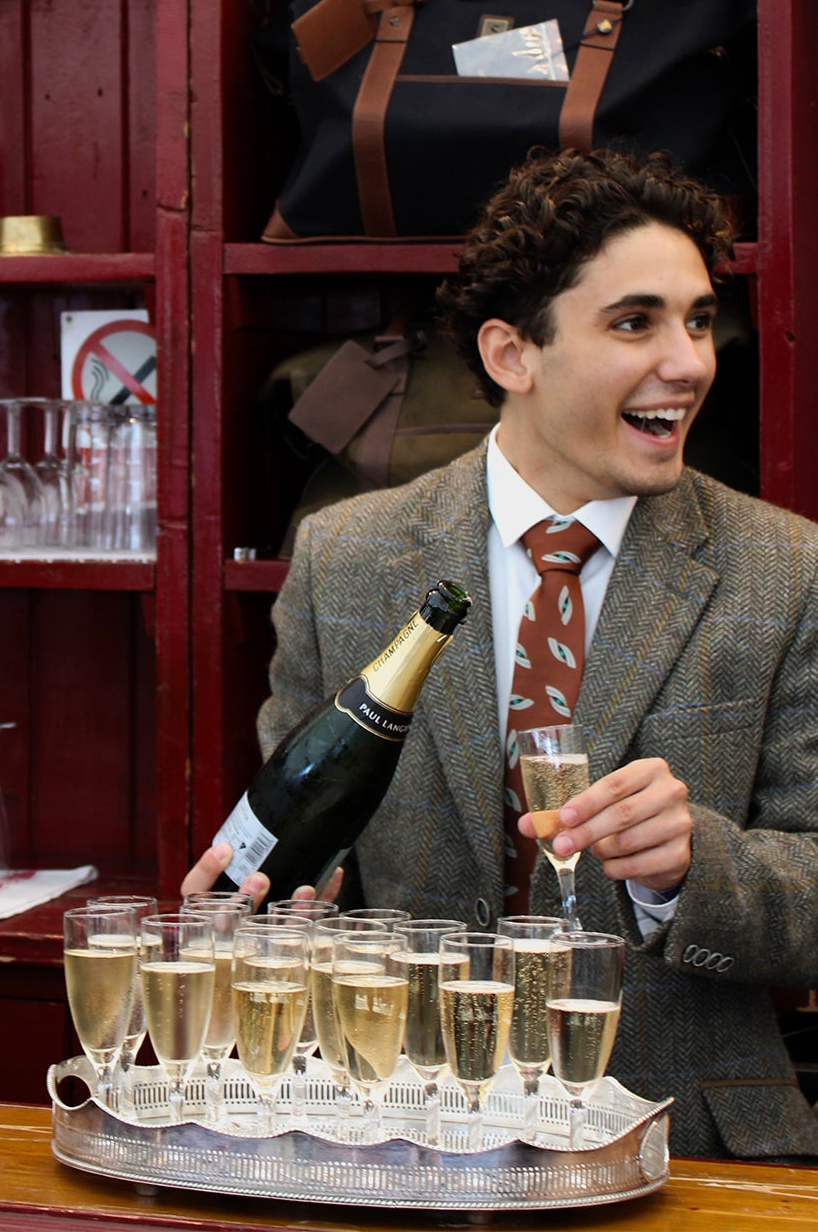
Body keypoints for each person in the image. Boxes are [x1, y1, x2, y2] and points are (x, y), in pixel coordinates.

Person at [188, 147, 818, 1160]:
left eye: (698, 319)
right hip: (396, 1134)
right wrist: (274, 906)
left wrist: (693, 867)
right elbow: (308, 850)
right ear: (510, 355)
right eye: (635, 322)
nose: (691, 360)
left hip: (683, 1148)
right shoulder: (343, 559)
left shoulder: (788, 570)